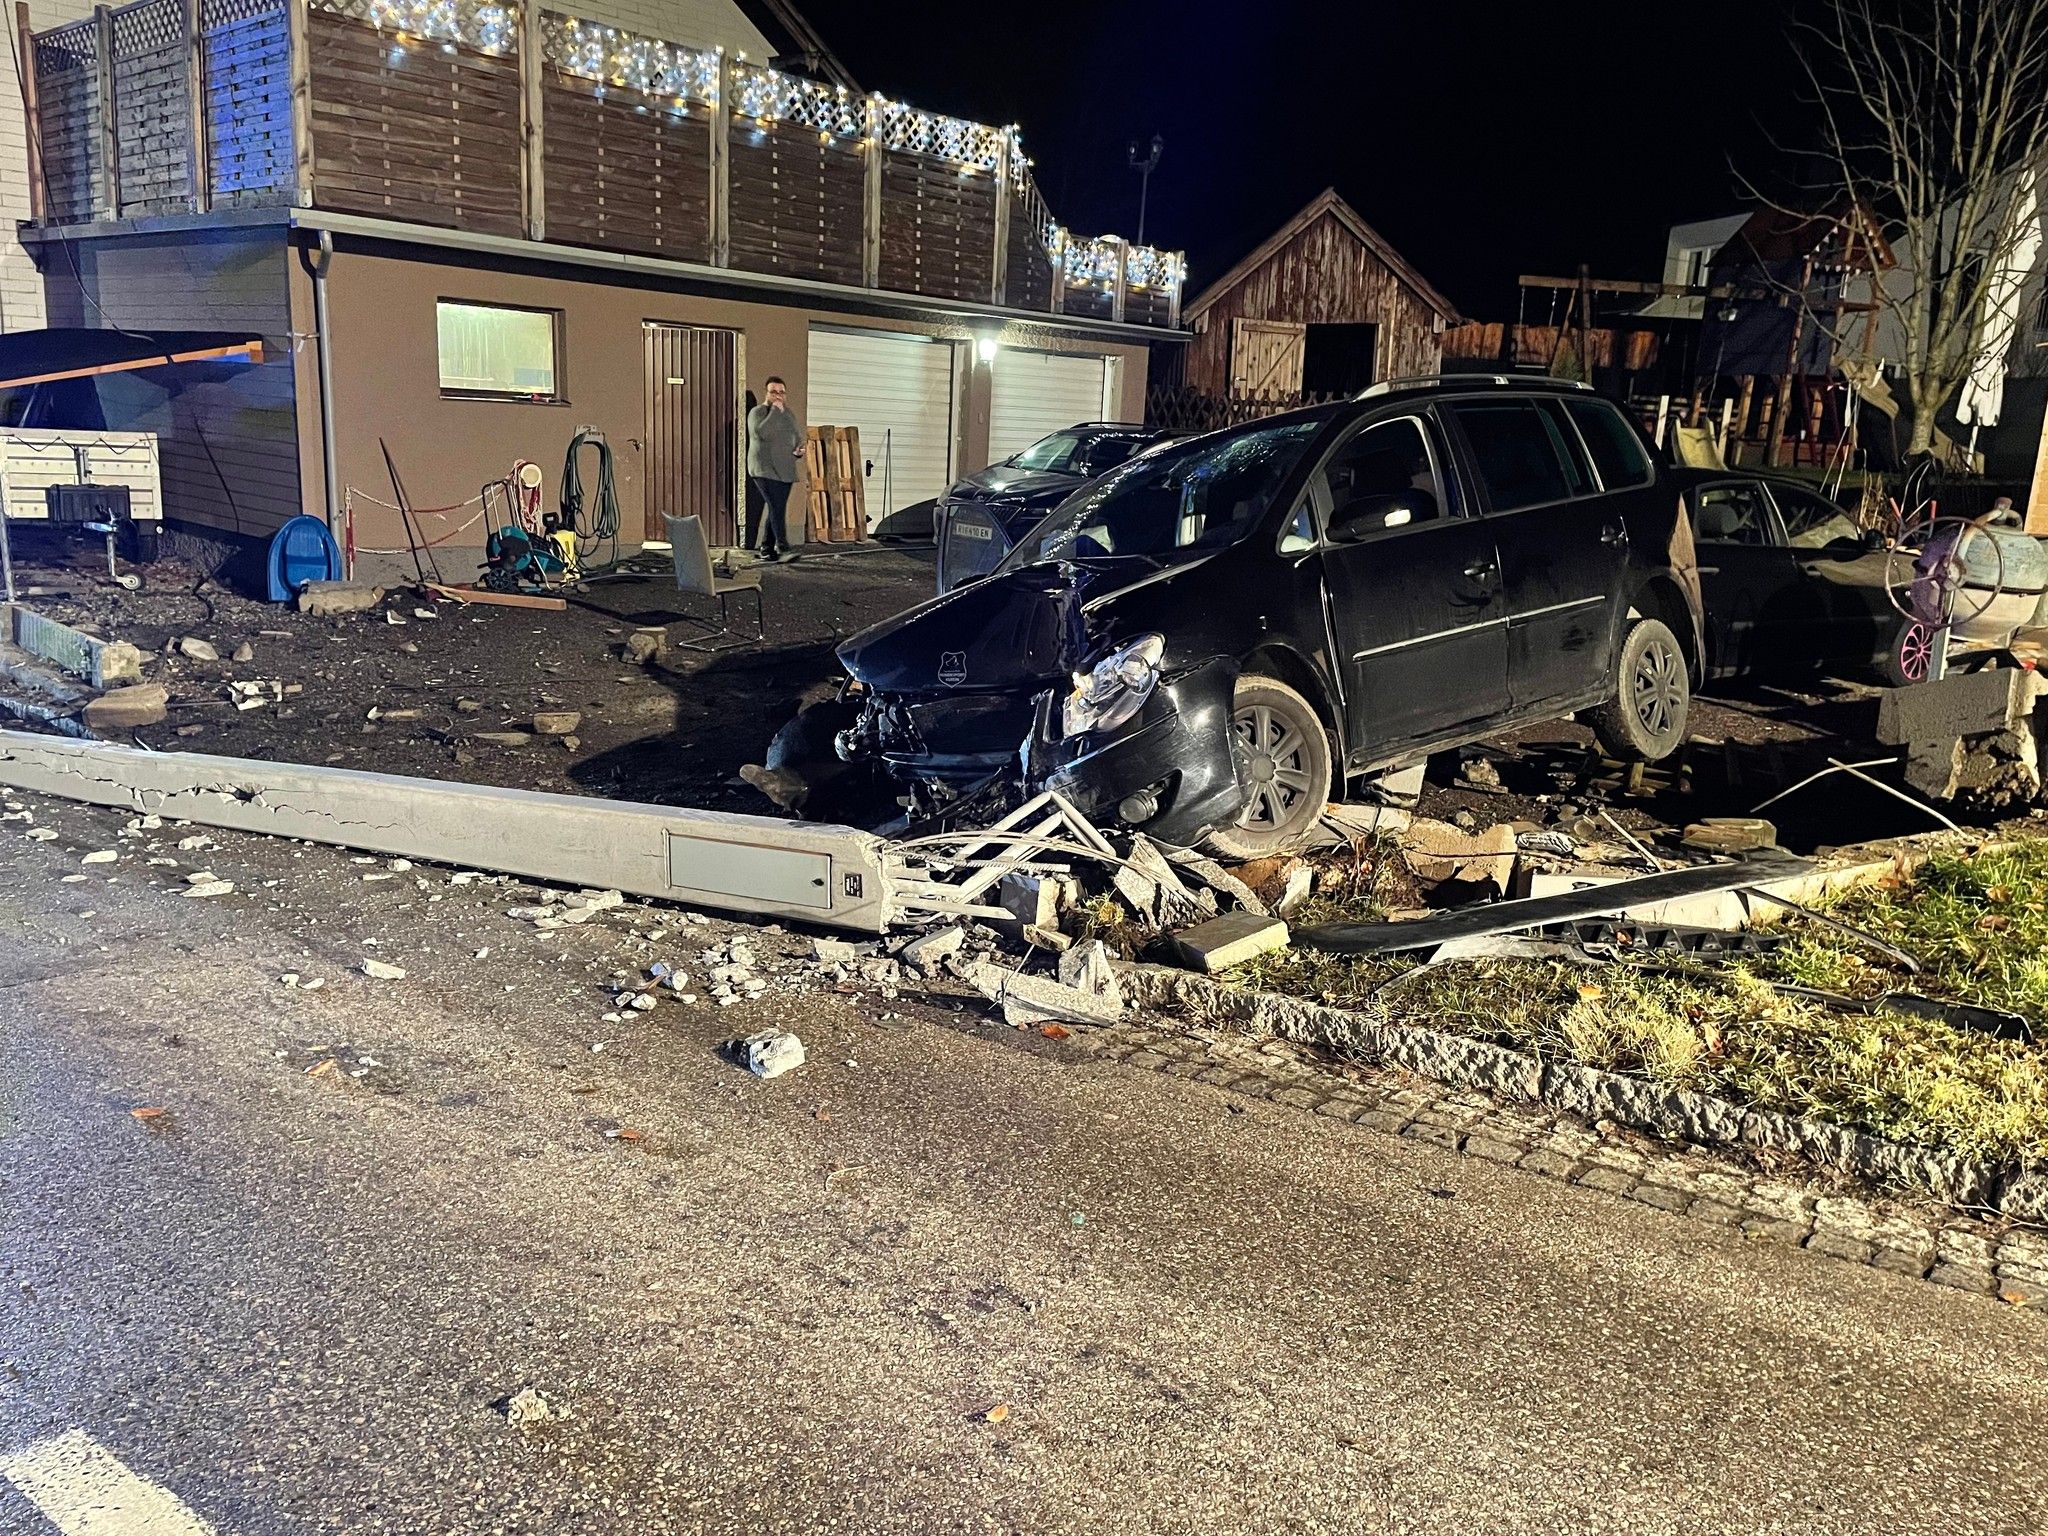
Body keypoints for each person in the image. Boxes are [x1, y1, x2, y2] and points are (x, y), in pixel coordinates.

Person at [745, 376, 802, 562]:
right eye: (773, 392)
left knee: (775, 508)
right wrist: (775, 412)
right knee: (776, 506)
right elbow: (762, 433)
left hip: (785, 469)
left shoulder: (788, 414)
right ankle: (783, 546)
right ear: (766, 393)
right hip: (764, 469)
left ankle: (766, 548)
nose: (778, 396)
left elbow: (795, 435)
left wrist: (798, 449)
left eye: (781, 392)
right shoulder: (758, 412)